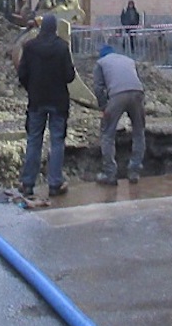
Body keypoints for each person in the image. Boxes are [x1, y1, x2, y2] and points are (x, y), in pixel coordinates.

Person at [16, 14, 77, 198]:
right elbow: (69, 76)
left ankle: (28, 184)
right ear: (55, 28)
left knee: (34, 140)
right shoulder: (61, 47)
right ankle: (54, 184)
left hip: (36, 100)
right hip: (58, 102)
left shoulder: (30, 47)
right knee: (57, 141)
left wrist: (32, 88)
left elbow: (22, 74)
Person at [92, 45, 145, 185]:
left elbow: (98, 87)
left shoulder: (101, 63)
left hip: (117, 95)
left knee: (107, 134)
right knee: (139, 132)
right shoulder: (128, 60)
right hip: (138, 93)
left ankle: (109, 174)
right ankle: (134, 171)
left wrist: (104, 107)